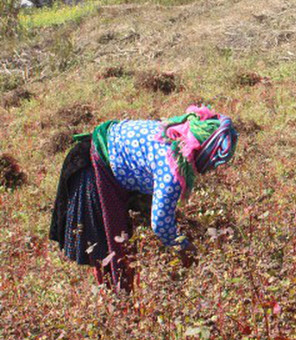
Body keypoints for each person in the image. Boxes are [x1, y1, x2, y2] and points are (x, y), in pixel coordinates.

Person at [50, 105, 238, 292]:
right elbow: (161, 225)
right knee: (111, 248)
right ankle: (116, 302)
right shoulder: (171, 171)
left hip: (107, 158)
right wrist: (187, 249)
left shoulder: (172, 131)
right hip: (92, 170)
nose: (214, 169)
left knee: (131, 234)